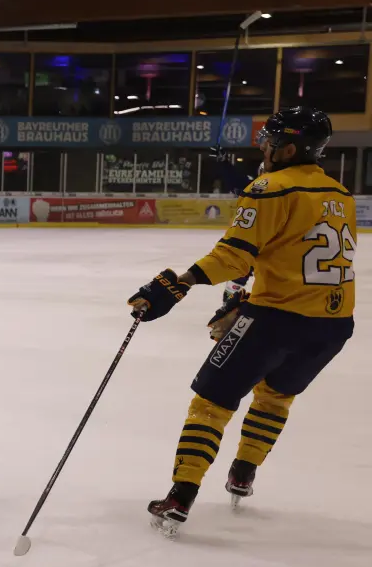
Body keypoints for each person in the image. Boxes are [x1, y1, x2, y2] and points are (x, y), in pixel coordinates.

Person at [129, 107, 354, 534]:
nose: (265, 149)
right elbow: (298, 253)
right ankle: (243, 474)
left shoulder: (269, 188)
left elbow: (234, 254)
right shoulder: (340, 193)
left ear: (288, 148)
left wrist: (183, 282)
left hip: (276, 320)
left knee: (211, 404)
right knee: (275, 398)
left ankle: (181, 494)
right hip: (333, 325)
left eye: (270, 142)